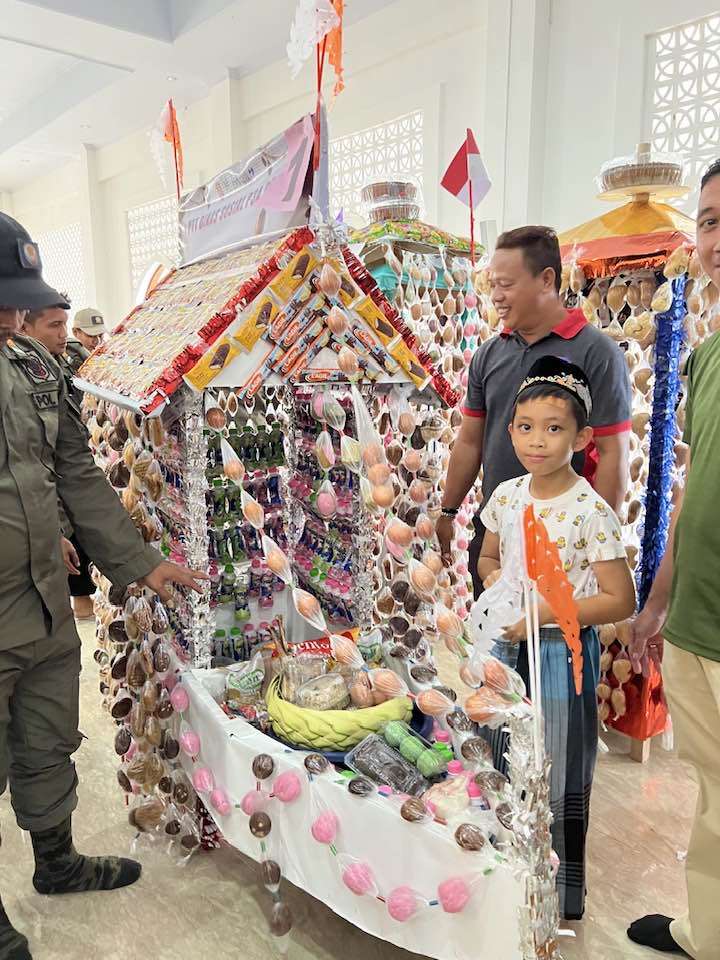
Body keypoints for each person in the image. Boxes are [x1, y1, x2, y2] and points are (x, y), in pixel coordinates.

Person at [0, 211, 206, 960]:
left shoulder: (34, 368)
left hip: (42, 599)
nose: (17, 315)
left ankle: (55, 863)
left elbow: (77, 474)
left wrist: (136, 560)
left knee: (47, 737)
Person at [476, 355, 635, 921]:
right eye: (524, 427)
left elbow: (620, 600)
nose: (536, 441)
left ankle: (554, 895)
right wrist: (498, 585)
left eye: (553, 428)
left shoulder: (590, 511)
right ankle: (496, 878)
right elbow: (487, 556)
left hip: (560, 655)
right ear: (509, 428)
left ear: (583, 436)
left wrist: (542, 611)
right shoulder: (507, 496)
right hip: (504, 648)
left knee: (556, 765)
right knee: (498, 754)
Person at [627, 161, 720, 959]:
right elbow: (691, 485)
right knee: (715, 793)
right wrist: (657, 603)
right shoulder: (706, 358)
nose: (717, 239)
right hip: (697, 621)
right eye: (712, 221)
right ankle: (706, 932)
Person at [437, 226, 632, 596]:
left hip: (565, 546)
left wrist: (597, 546)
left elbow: (612, 455)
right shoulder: (488, 355)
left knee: (560, 649)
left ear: (546, 280)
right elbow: (469, 442)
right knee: (497, 647)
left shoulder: (597, 353)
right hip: (497, 541)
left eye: (506, 285)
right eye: (492, 284)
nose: (495, 296)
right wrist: (448, 511)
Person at [21, 303, 95, 619]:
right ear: (25, 327)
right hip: (43, 503)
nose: (63, 335)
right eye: (55, 326)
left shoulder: (66, 362)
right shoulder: (21, 376)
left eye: (64, 325)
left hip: (70, 479)